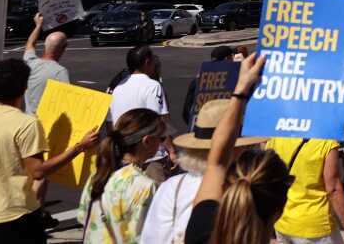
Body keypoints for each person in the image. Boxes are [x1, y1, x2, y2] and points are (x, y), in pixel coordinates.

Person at [0, 58, 98, 244]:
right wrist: (79, 147)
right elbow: (38, 171)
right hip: (16, 217)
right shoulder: (26, 124)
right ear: (24, 87)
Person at [184, 53, 290, 244]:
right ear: (279, 212)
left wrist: (241, 88)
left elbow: (217, 161)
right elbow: (218, 161)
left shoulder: (201, 231)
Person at [142, 98, 264, 244]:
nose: (246, 151)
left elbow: (151, 237)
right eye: (242, 147)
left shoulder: (172, 186)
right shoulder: (238, 193)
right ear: (230, 150)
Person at [78, 108, 166, 243]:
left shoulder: (98, 174)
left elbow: (83, 217)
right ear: (147, 141)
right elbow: (142, 237)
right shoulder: (144, 186)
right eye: (161, 138)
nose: (162, 142)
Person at [266, 132, 344, 244]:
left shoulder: (277, 135)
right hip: (315, 225)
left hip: (282, 220)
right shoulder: (326, 140)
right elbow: (333, 188)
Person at [109, 46, 176, 184]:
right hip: (151, 156)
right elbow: (159, 121)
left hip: (126, 156)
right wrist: (171, 150)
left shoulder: (117, 87)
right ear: (147, 62)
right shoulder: (153, 86)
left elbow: (110, 125)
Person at [23, 13, 69, 114]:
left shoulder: (30, 63)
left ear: (45, 44)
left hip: (29, 121)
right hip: (45, 125)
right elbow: (66, 100)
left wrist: (38, 25)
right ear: (64, 48)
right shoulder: (59, 72)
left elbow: (30, 44)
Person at [182, 46, 235, 127]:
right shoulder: (232, 79)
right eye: (232, 57)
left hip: (201, 128)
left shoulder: (198, 79)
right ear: (227, 59)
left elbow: (187, 110)